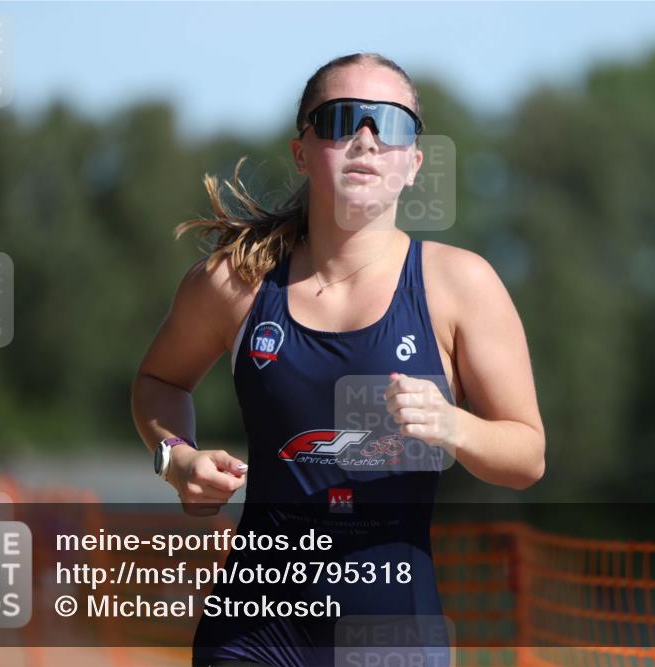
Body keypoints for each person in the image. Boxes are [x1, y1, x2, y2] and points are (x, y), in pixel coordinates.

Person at [131, 52, 546, 667]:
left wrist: (453, 426)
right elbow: (158, 381)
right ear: (302, 151)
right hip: (252, 634)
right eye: (343, 118)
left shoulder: (460, 285)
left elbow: (527, 455)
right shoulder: (235, 283)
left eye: (392, 124)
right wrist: (175, 458)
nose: (368, 138)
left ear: (413, 164)